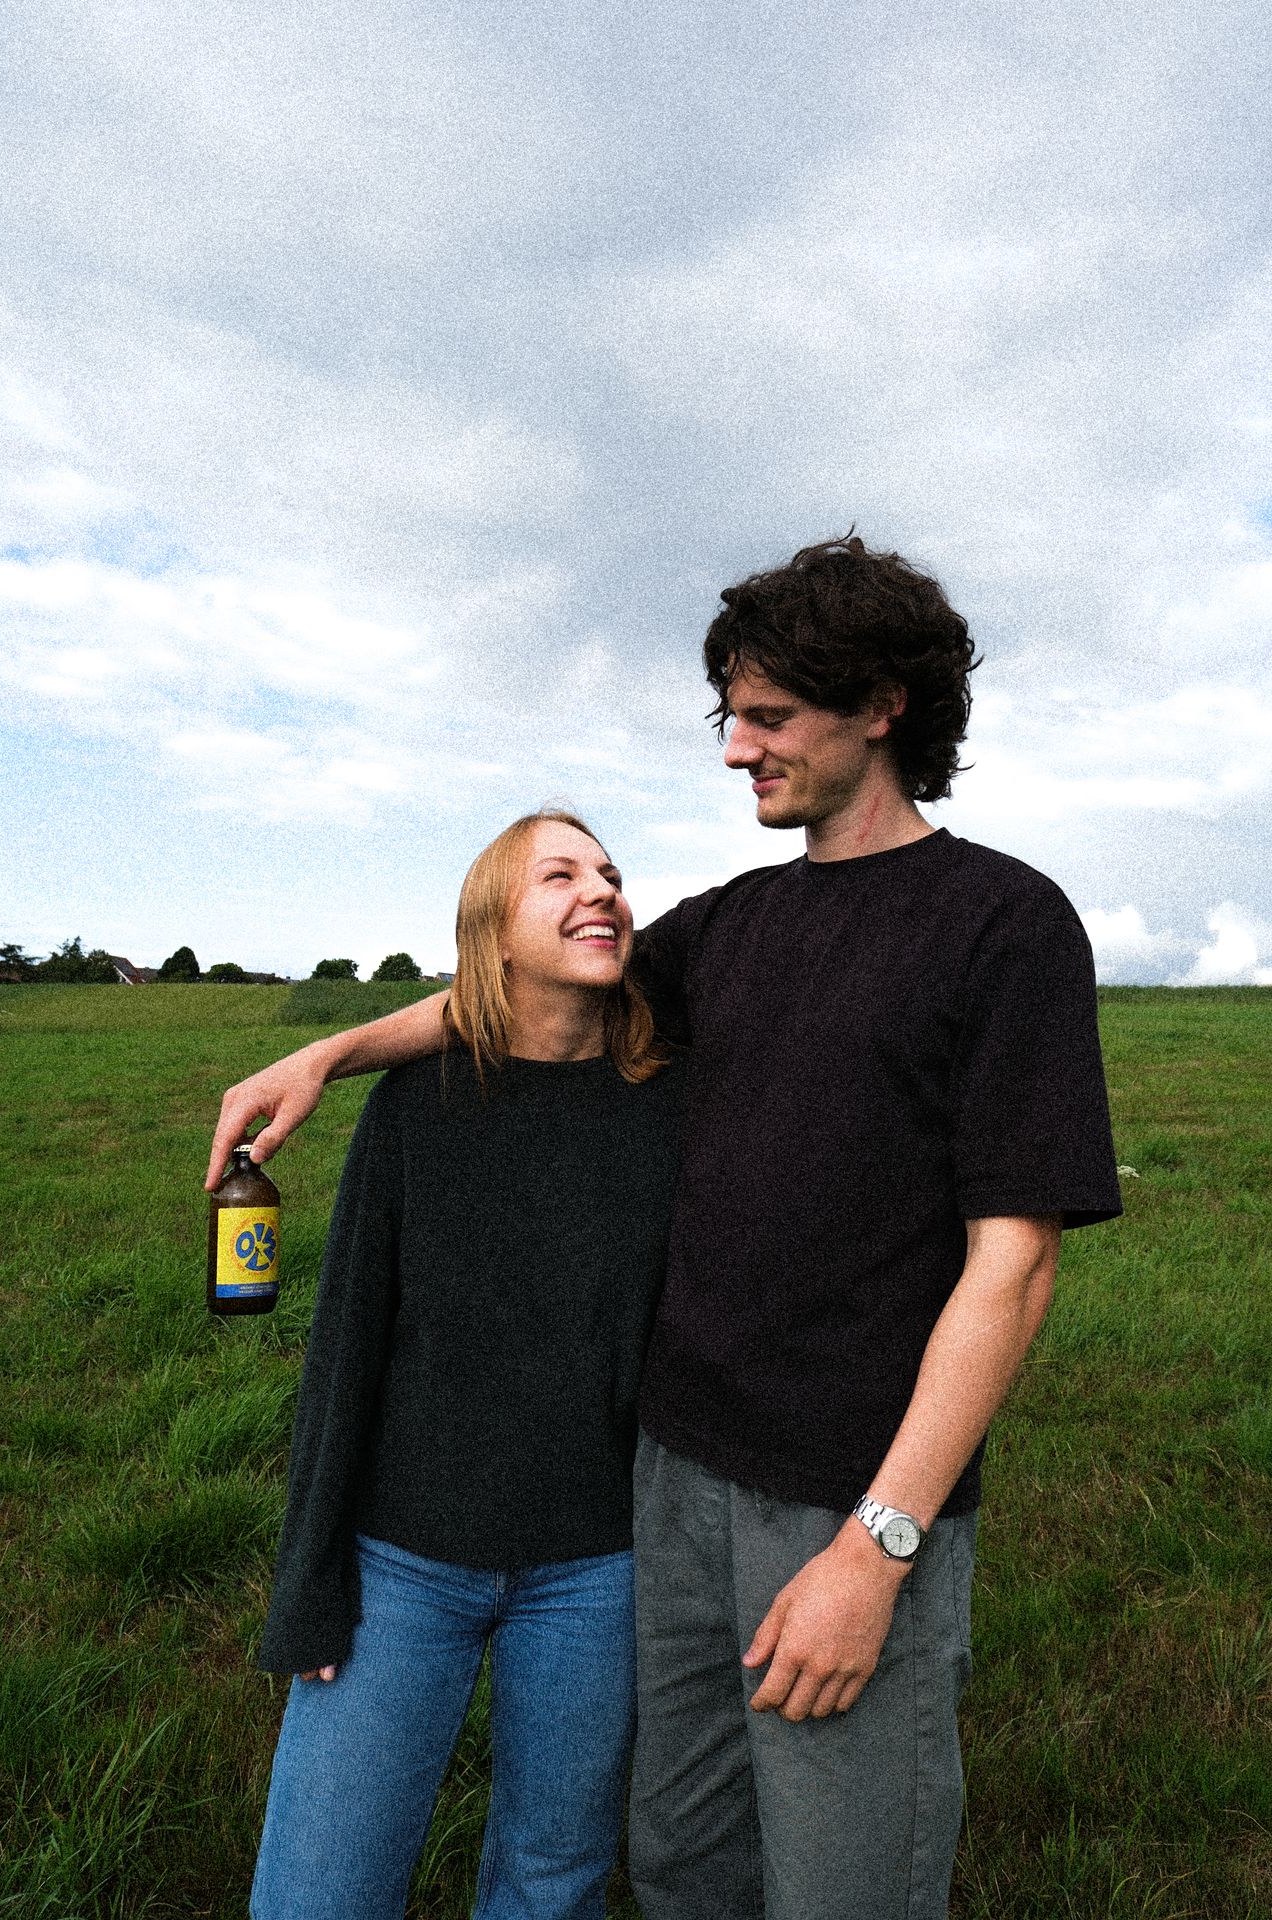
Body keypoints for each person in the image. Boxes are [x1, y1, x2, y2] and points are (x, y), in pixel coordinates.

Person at [211, 534, 1122, 1920]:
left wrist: (876, 1546)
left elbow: (1017, 1262)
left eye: (768, 716)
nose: (736, 748)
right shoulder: (727, 928)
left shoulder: (1003, 923)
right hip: (668, 1490)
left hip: (843, 1493)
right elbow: (525, 997)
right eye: (729, 718)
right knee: (686, 1866)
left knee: (840, 1883)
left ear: (883, 706)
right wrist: (330, 1053)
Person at [244, 809, 684, 1920]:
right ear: (491, 929)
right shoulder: (417, 1108)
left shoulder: (671, 1103)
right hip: (401, 1562)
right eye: (558, 876)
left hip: (597, 1567)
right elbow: (343, 1352)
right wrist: (309, 1581)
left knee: (552, 1881)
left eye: (609, 873)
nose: (600, 890)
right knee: (320, 1888)